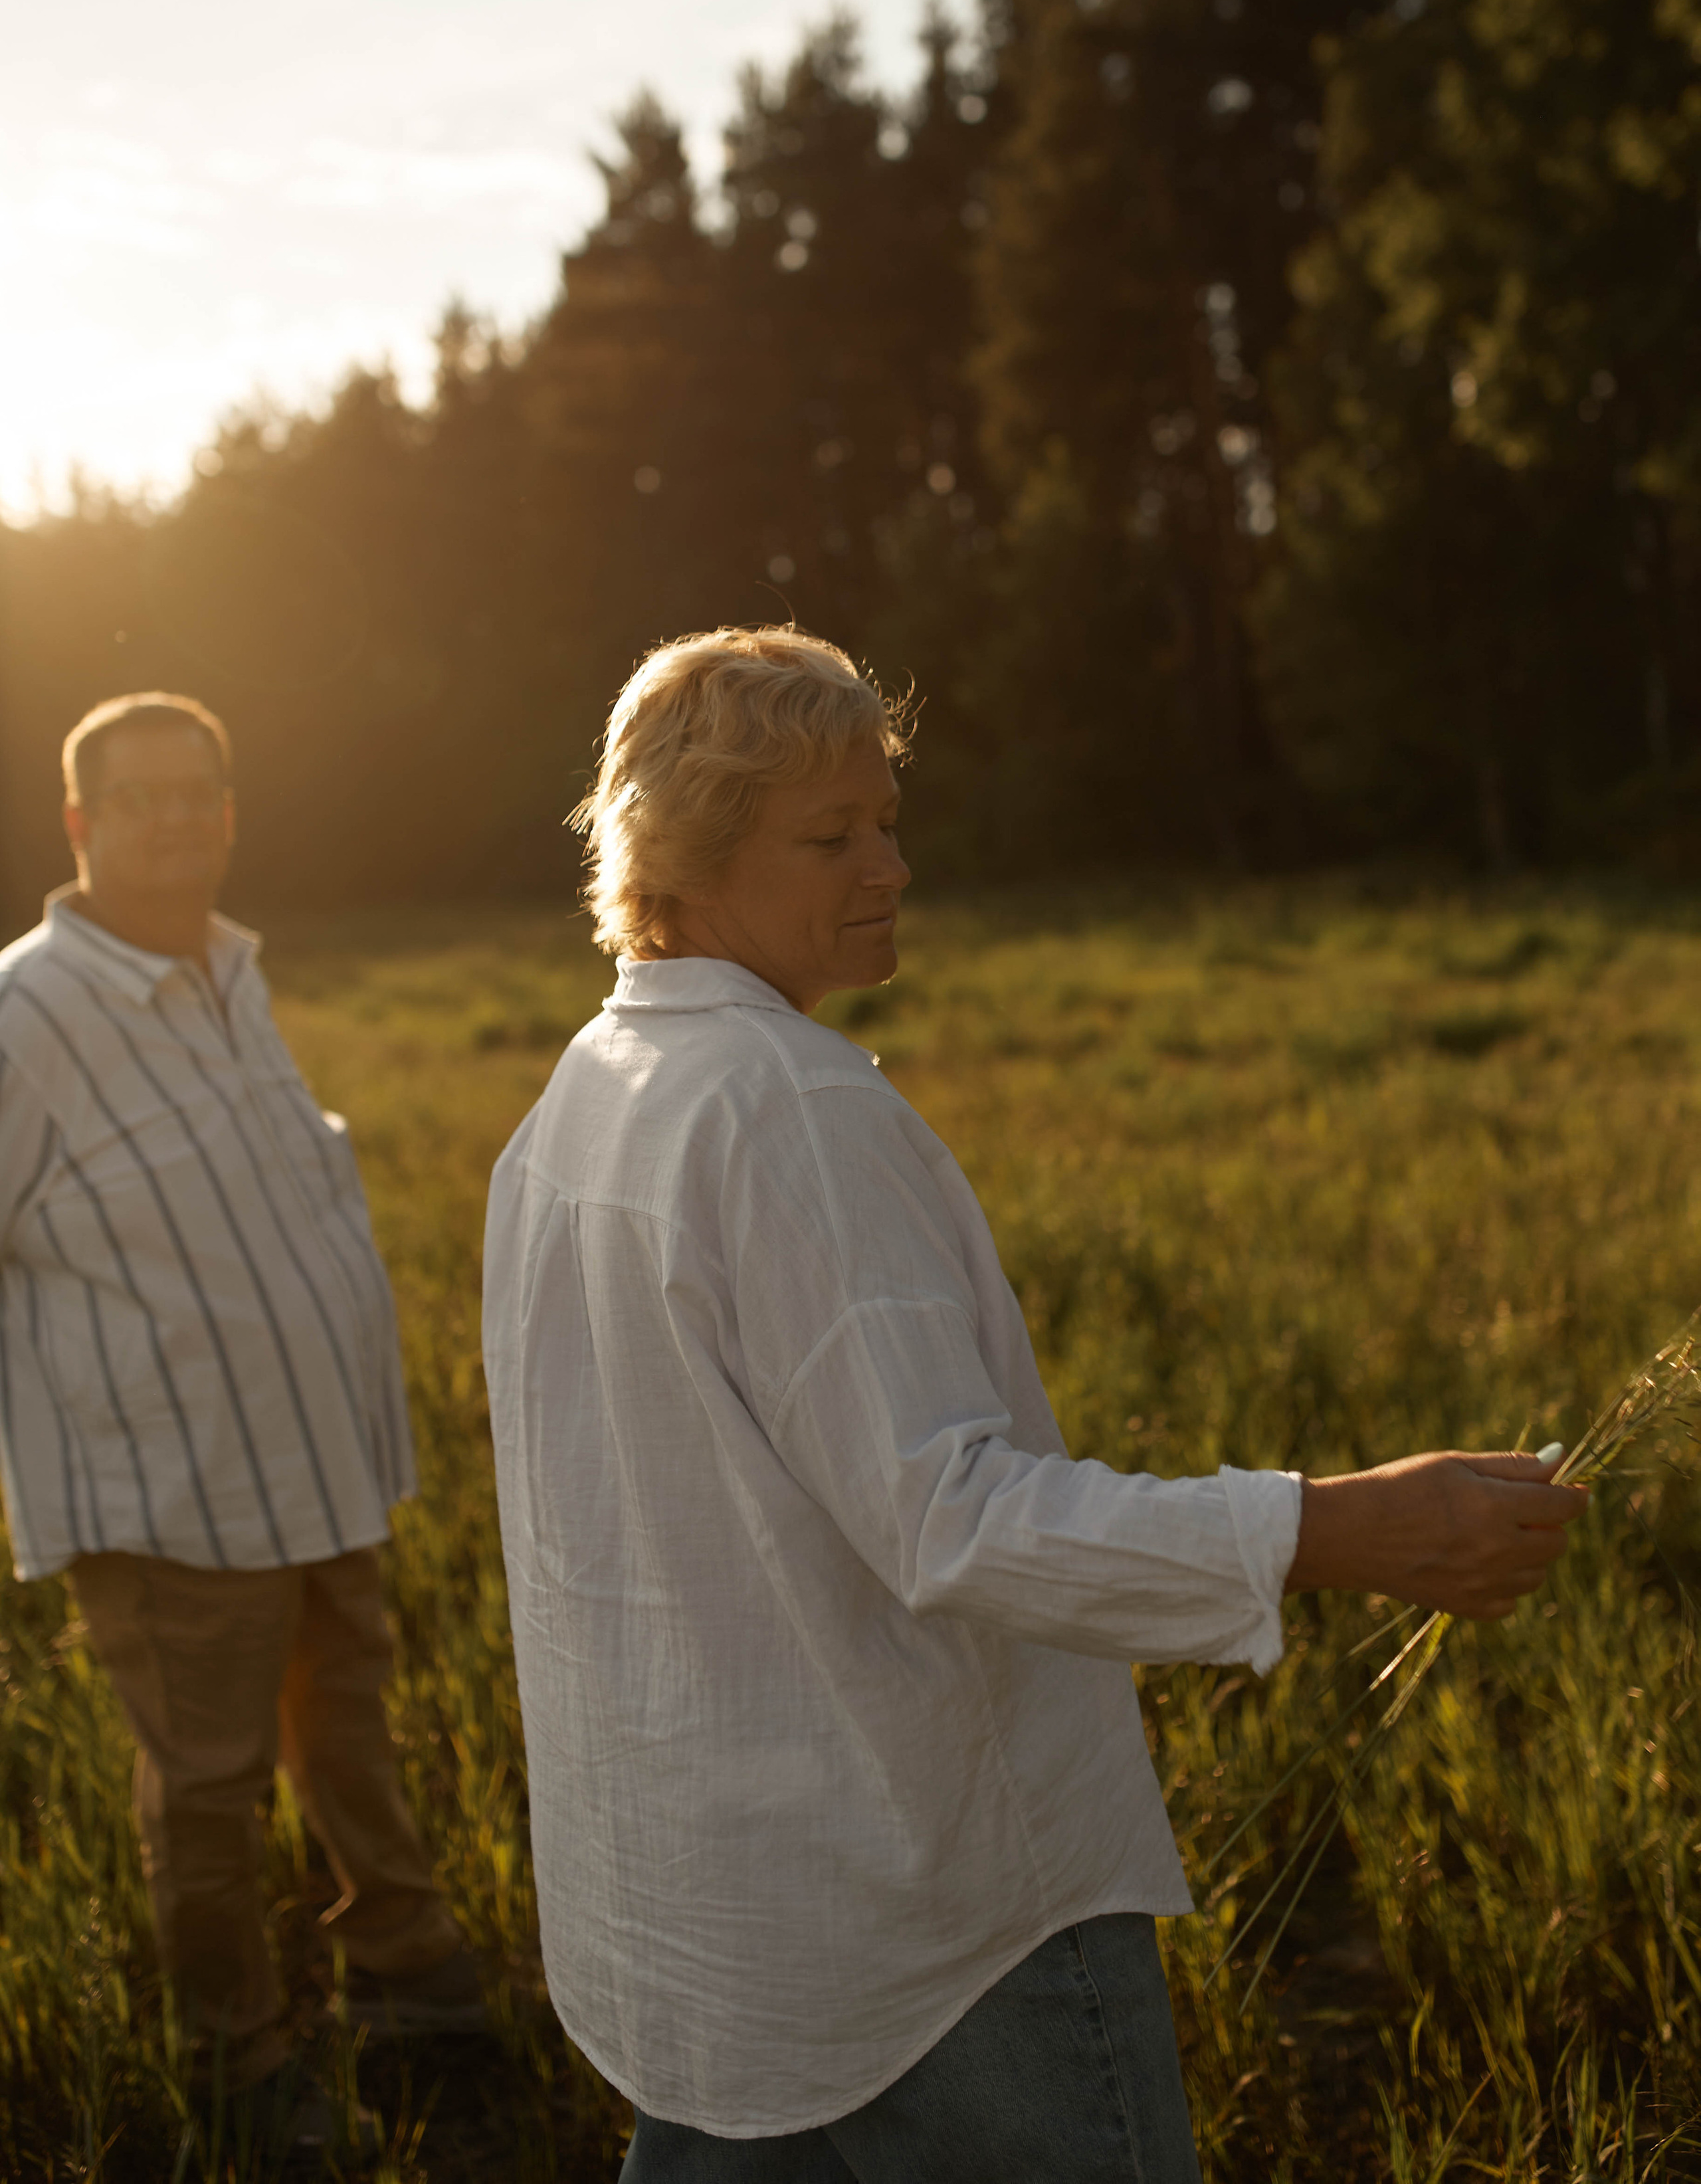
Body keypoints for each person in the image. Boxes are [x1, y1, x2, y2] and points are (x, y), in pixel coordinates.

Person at [482, 627, 1586, 2183]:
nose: (889, 866)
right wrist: (1338, 1527)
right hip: (927, 1921)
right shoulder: (787, 1110)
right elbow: (955, 1521)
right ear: (682, 856)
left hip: (715, 1924)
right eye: (829, 836)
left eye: (885, 818)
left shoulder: (577, 1102)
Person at [0, 692, 483, 2148]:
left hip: (323, 1461)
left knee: (350, 1731)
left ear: (228, 811)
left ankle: (409, 1983)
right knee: (209, 1794)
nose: (173, 817)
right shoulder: (25, 1018)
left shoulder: (228, 968)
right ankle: (239, 2063)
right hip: (174, 1493)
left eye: (197, 791)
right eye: (137, 797)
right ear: (80, 825)